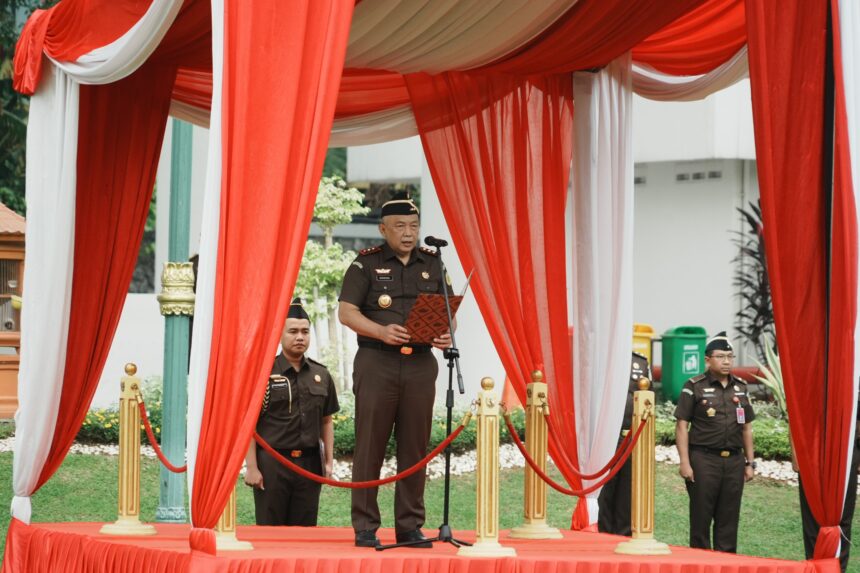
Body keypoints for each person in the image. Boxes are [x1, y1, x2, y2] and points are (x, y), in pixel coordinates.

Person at [338, 192, 452, 548]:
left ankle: (409, 525)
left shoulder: (433, 262)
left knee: (414, 447)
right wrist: (380, 331)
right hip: (377, 362)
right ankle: (366, 526)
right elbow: (346, 312)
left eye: (414, 226)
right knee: (370, 444)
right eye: (400, 226)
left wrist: (446, 333)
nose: (408, 233)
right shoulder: (365, 263)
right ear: (383, 229)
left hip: (420, 363)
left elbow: (448, 309)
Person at [244, 297, 339, 526]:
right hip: (272, 464)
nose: (300, 337)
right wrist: (252, 467)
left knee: (305, 533)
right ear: (280, 334)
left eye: (305, 332)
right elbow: (249, 425)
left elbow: (326, 421)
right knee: (270, 532)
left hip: (309, 464)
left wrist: (328, 463)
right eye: (293, 331)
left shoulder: (321, 375)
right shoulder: (263, 374)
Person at [674, 331, 755, 553]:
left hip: (734, 462)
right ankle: (700, 565)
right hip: (703, 460)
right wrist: (685, 462)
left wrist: (751, 462)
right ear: (707, 360)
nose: (727, 361)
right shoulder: (694, 386)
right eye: (721, 356)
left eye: (730, 356)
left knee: (729, 519)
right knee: (701, 518)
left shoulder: (741, 387)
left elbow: (747, 427)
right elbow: (682, 426)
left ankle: (726, 564)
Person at [796, 402, 860, 572]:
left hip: (844, 453)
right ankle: (814, 566)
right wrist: (796, 453)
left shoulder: (851, 381)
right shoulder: (811, 379)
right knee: (812, 517)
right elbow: (796, 417)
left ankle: (839, 568)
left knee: (842, 519)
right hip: (812, 451)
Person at [597, 351, 652, 535]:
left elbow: (649, 399)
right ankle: (602, 533)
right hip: (606, 437)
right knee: (604, 490)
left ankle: (623, 534)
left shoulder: (641, 362)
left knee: (628, 491)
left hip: (631, 436)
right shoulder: (603, 356)